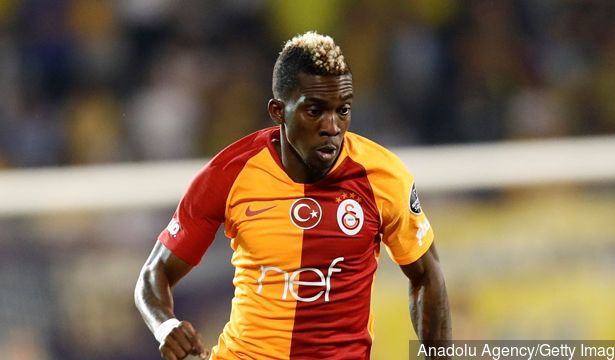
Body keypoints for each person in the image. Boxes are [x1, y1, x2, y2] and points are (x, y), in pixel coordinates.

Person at [134, 31, 451, 360]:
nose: (331, 126)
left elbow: (427, 275)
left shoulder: (382, 176)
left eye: (342, 110)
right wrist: (165, 327)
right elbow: (153, 275)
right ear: (278, 111)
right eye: (314, 111)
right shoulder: (229, 173)